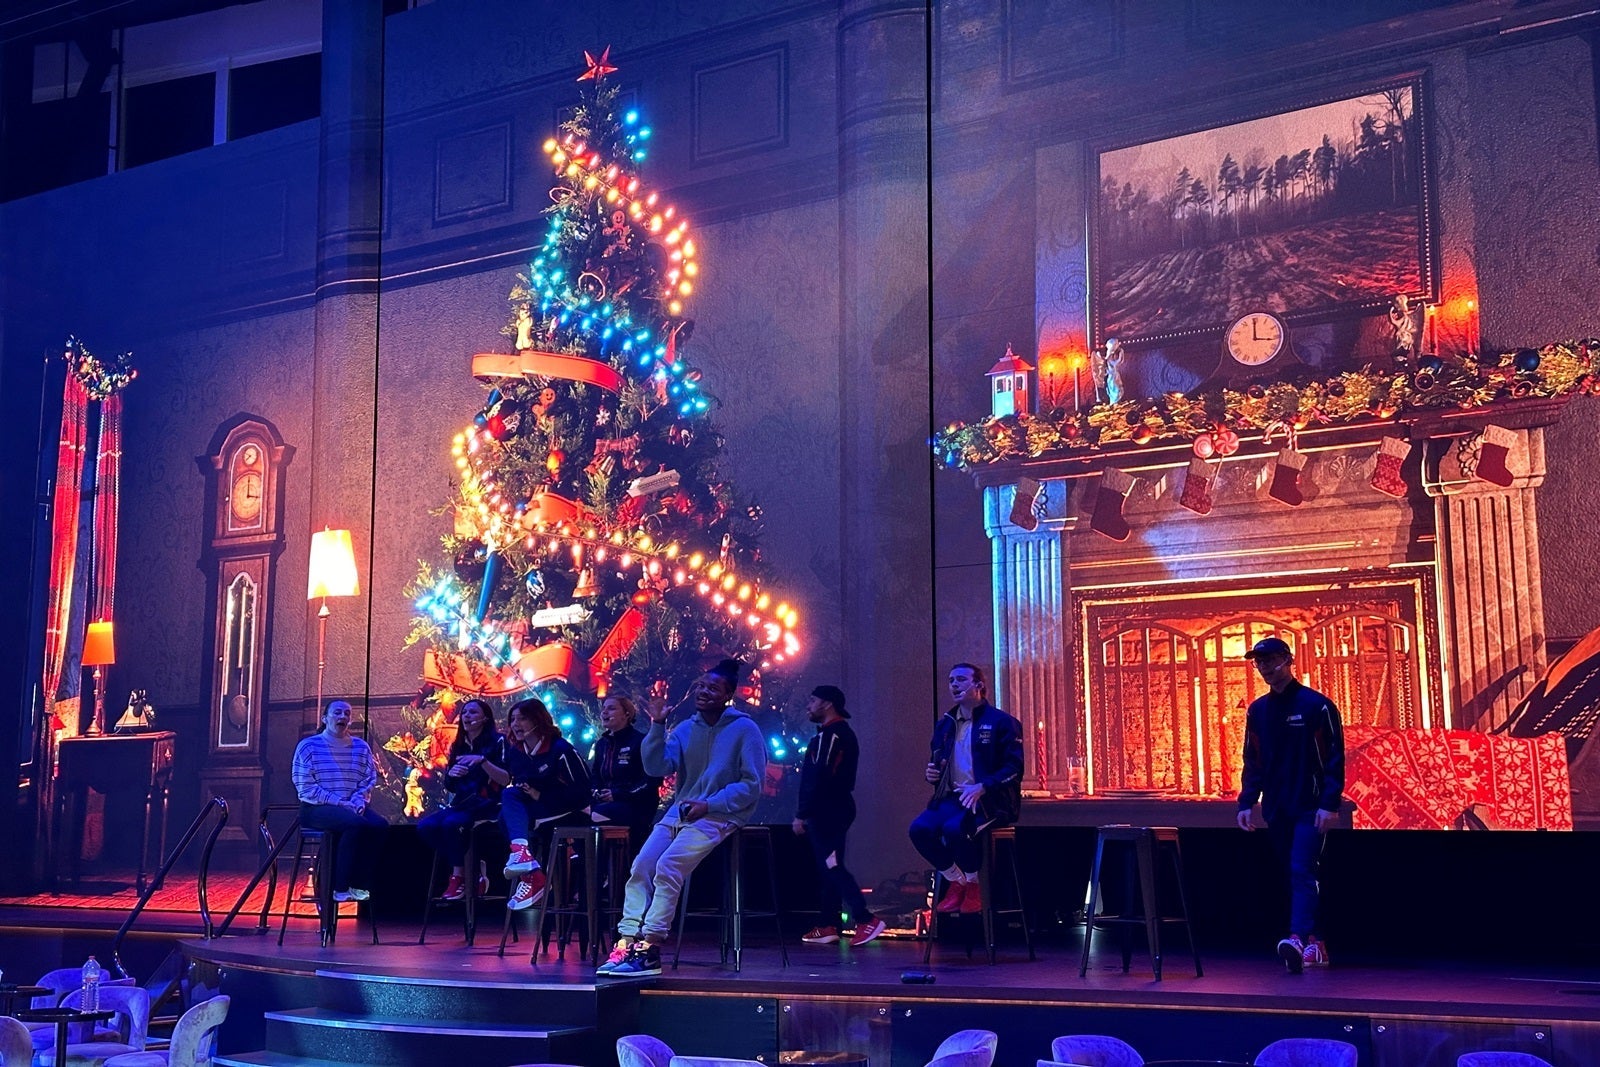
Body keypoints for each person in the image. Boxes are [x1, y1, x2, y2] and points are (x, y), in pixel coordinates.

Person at [597, 659, 766, 978]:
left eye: (713, 688)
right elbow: (657, 767)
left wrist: (710, 804)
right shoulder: (687, 728)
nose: (704, 691)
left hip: (722, 814)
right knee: (642, 865)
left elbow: (751, 785)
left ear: (728, 694)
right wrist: (657, 725)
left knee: (668, 865)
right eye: (700, 685)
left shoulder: (745, 729)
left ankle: (650, 948)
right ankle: (627, 941)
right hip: (681, 812)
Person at [1236, 636, 1345, 974]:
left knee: (1301, 869)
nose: (1265, 668)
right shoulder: (1258, 710)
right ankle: (1317, 942)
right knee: (1297, 873)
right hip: (1277, 807)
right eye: (1259, 662)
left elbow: (1334, 756)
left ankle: (1297, 938)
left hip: (1311, 807)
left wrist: (1329, 802)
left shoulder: (1317, 706)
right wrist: (1247, 800)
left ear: (1287, 659)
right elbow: (1252, 759)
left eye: (1270, 660)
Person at [909, 663, 1023, 915]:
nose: (954, 685)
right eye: (951, 681)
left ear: (979, 685)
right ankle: (957, 880)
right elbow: (939, 762)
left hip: (990, 800)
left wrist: (983, 786)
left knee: (953, 829)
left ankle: (974, 884)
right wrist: (934, 775)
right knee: (919, 829)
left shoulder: (1002, 722)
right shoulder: (946, 724)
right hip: (953, 798)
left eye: (961, 679)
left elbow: (1014, 767)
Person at [794, 684, 885, 948]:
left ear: (827, 703)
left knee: (832, 866)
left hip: (828, 810)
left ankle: (864, 918)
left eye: (813, 700)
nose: (808, 705)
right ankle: (827, 924)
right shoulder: (830, 735)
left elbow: (819, 776)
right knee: (829, 866)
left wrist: (802, 813)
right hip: (831, 809)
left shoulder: (832, 736)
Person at [480, 698, 591, 911]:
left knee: (510, 803)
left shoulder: (560, 749)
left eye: (522, 718)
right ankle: (531, 870)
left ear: (538, 720)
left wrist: (541, 796)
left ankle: (529, 868)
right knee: (507, 807)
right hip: (541, 809)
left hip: (572, 810)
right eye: (513, 719)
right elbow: (522, 783)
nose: (516, 724)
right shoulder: (516, 751)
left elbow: (582, 792)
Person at [291, 699, 386, 902]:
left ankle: (359, 884)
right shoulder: (308, 746)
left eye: (347, 713)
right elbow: (306, 786)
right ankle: (338, 886)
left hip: (352, 805)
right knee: (355, 825)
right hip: (317, 807)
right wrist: (340, 803)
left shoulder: (361, 747)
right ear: (325, 718)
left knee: (379, 826)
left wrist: (359, 800)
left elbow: (368, 779)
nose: (343, 717)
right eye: (337, 713)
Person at [415, 698, 502, 901]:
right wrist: (452, 775)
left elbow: (506, 778)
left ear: (485, 718)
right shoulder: (459, 745)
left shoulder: (498, 742)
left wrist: (482, 761)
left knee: (451, 824)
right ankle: (469, 868)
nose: (467, 717)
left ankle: (458, 877)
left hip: (489, 803)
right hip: (463, 803)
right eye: (464, 713)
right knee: (425, 827)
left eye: (473, 713)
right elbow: (450, 786)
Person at [588, 694, 662, 841]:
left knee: (591, 814)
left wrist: (618, 794)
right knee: (576, 814)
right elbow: (595, 775)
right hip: (607, 804)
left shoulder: (640, 742)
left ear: (627, 714)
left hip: (636, 805)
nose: (604, 712)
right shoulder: (602, 744)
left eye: (611, 708)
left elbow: (651, 780)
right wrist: (596, 792)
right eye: (603, 709)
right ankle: (584, 861)